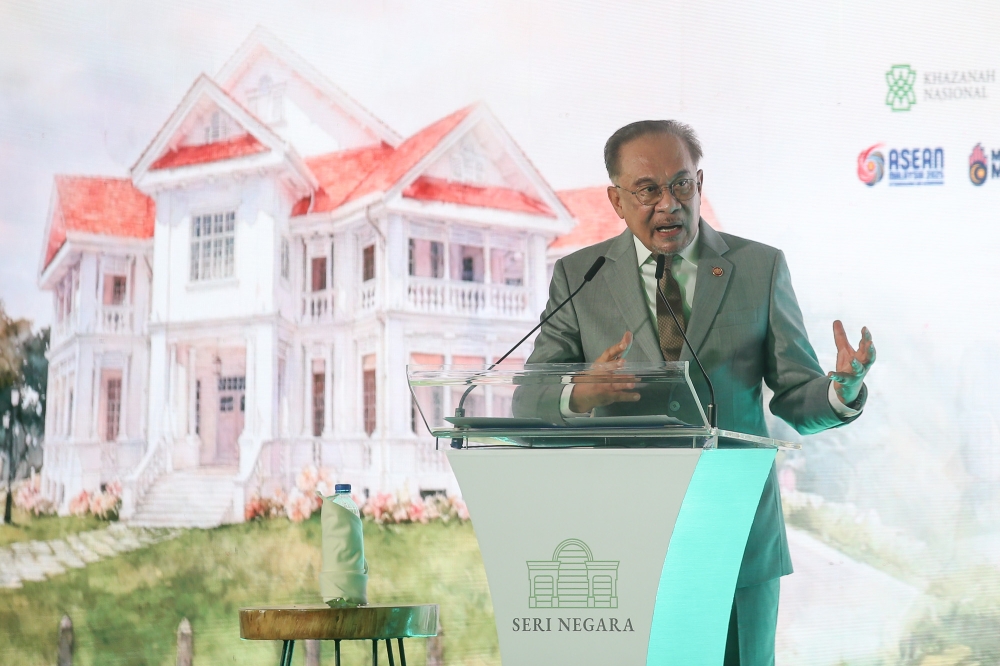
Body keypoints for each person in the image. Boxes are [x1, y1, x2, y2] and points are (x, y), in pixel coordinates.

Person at [516, 120, 875, 665]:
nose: (669, 204)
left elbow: (796, 395)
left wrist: (839, 390)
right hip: (626, 544)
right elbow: (529, 401)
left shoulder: (758, 268)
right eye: (648, 189)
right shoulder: (579, 276)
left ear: (700, 182)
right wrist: (578, 393)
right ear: (615, 199)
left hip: (736, 538)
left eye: (682, 184)